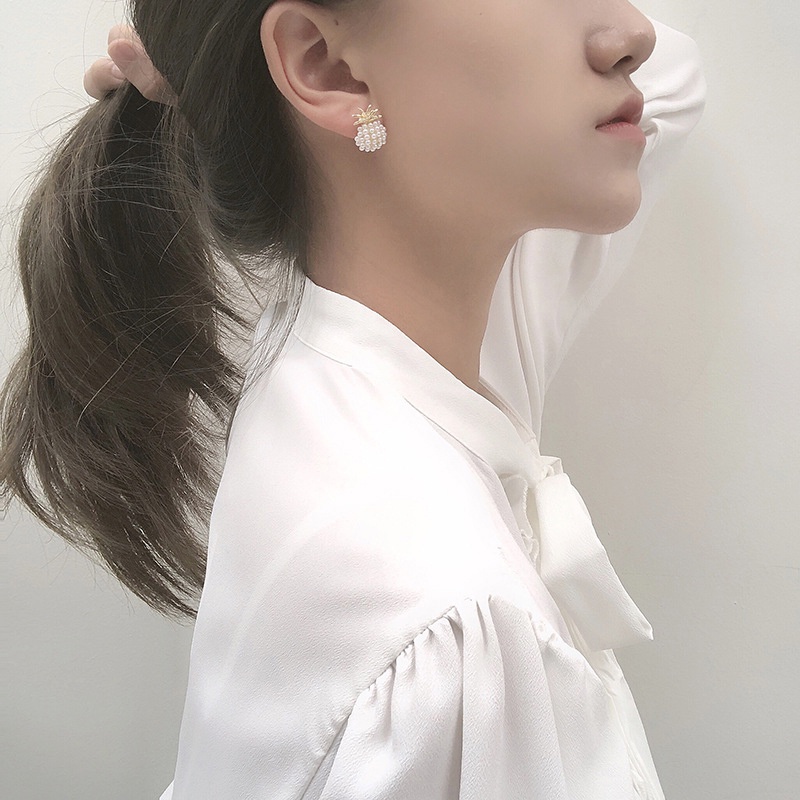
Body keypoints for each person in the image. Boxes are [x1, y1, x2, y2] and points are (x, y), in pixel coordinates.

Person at [3, 1, 707, 797]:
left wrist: (210, 82)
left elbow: (674, 75)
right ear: (326, 65)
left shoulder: (363, 356)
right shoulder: (456, 638)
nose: (633, 34)